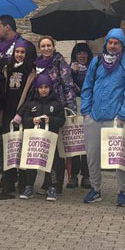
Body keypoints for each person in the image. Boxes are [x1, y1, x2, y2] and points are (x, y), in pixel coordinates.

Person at [80, 28, 125, 205]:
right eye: (110, 42)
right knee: (92, 155)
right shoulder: (96, 62)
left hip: (115, 118)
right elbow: (87, 86)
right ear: (106, 44)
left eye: (116, 43)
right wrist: (86, 111)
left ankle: (122, 191)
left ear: (122, 45)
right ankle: (95, 188)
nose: (113, 46)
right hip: (94, 117)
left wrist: (123, 115)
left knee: (118, 157)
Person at [33, 36, 76, 196]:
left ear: (53, 46)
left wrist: (71, 108)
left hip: (57, 108)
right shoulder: (36, 64)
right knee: (45, 146)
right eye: (43, 46)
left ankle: (56, 184)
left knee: (57, 150)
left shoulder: (59, 62)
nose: (46, 48)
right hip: (41, 108)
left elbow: (68, 85)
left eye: (48, 45)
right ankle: (46, 183)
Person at [13, 73, 66, 200]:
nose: (43, 90)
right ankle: (29, 187)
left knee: (52, 164)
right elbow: (24, 119)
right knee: (31, 165)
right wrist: (32, 120)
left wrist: (50, 120)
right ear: (37, 88)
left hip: (50, 140)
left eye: (46, 87)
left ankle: (52, 187)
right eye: (41, 87)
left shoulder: (57, 104)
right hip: (34, 141)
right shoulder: (31, 104)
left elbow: (61, 121)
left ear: (50, 88)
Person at [0, 41, 36, 195]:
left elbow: (30, 94)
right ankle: (8, 179)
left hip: (22, 113)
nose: (19, 55)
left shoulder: (30, 71)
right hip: (7, 111)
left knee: (21, 147)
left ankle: (23, 181)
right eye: (17, 52)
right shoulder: (8, 68)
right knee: (8, 147)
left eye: (22, 52)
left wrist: (21, 112)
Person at [65, 42, 92, 189]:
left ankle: (86, 175)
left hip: (88, 106)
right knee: (75, 141)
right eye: (79, 53)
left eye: (84, 53)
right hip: (74, 105)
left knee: (87, 142)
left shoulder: (92, 69)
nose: (82, 56)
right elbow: (67, 84)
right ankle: (73, 175)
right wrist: (72, 73)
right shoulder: (70, 68)